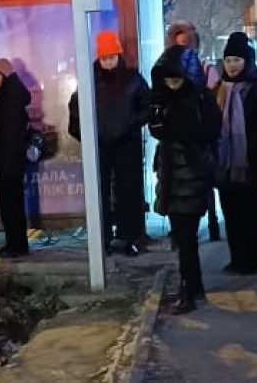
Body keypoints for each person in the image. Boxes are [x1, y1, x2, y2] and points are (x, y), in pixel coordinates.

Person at [149, 45, 222, 314]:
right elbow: (158, 129)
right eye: (168, 78)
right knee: (183, 237)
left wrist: (174, 128)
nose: (172, 83)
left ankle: (187, 290)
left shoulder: (200, 99)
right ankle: (194, 286)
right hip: (172, 176)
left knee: (186, 238)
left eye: (176, 78)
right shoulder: (163, 98)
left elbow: (209, 130)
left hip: (191, 175)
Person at [68, 30, 150, 256]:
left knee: (128, 192)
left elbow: (147, 105)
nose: (108, 62)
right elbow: (75, 109)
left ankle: (129, 238)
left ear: (118, 55)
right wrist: (85, 135)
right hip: (100, 145)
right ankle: (102, 238)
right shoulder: (90, 80)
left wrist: (131, 123)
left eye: (112, 57)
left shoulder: (132, 78)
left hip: (126, 143)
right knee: (99, 193)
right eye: (104, 58)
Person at [215, 32, 257, 275]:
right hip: (225, 164)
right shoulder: (219, 89)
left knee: (250, 212)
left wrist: (252, 147)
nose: (232, 65)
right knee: (230, 212)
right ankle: (236, 258)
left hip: (250, 163)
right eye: (228, 60)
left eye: (237, 60)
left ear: (247, 61)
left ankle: (253, 260)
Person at [166, 20, 221, 241]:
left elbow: (213, 107)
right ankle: (180, 229)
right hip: (176, 144)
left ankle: (212, 221)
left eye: (186, 44)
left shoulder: (206, 70)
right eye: (177, 45)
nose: (182, 50)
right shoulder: (167, 73)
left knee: (204, 184)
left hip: (200, 142)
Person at [0, 58, 32, 258]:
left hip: (9, 163)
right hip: (6, 162)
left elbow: (10, 136)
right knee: (9, 203)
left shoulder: (10, 100)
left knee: (11, 204)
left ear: (6, 76)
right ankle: (14, 243)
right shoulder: (5, 97)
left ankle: (16, 245)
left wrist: (4, 162)